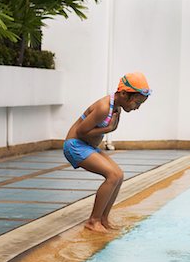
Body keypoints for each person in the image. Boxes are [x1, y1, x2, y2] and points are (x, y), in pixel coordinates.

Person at [63, 72, 151, 233]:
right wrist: (108, 129)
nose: (137, 108)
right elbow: (81, 132)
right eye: (137, 103)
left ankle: (103, 219)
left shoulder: (116, 106)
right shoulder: (104, 107)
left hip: (87, 146)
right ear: (124, 94)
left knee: (119, 175)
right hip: (75, 145)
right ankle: (93, 221)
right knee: (113, 176)